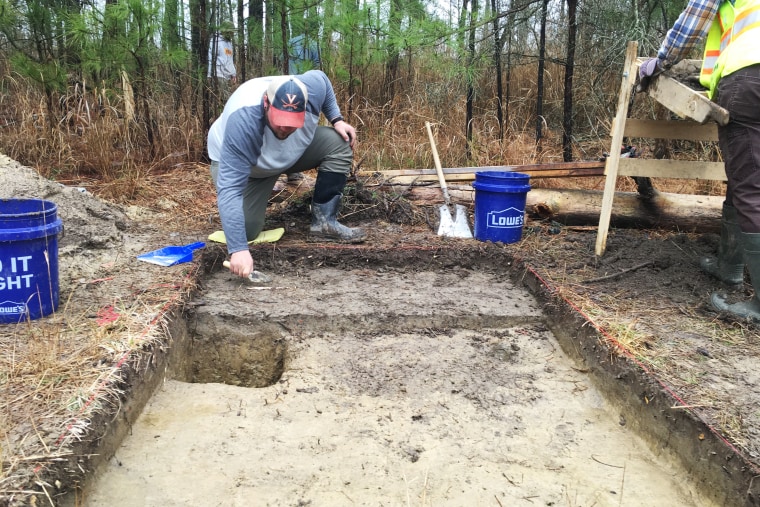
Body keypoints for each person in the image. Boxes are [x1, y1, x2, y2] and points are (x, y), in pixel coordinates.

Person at [638, 0, 760, 322]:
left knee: (749, 187)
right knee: (745, 176)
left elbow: (694, 19)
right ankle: (729, 266)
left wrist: (659, 62)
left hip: (750, 79)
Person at [207, 72, 366, 280]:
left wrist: (336, 119)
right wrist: (238, 250)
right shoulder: (244, 121)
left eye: (293, 121)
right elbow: (230, 190)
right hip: (251, 166)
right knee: (245, 231)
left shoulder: (313, 88)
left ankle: (324, 222)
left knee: (339, 143)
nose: (285, 127)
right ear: (266, 102)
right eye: (280, 119)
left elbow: (324, 82)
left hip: (288, 153)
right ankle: (258, 203)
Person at [208, 22, 237, 103]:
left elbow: (229, 60)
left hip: (227, 76)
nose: (232, 34)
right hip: (218, 75)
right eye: (230, 32)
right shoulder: (216, 41)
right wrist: (212, 76)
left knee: (226, 100)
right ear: (225, 31)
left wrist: (233, 74)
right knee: (225, 101)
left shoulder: (229, 43)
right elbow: (211, 60)